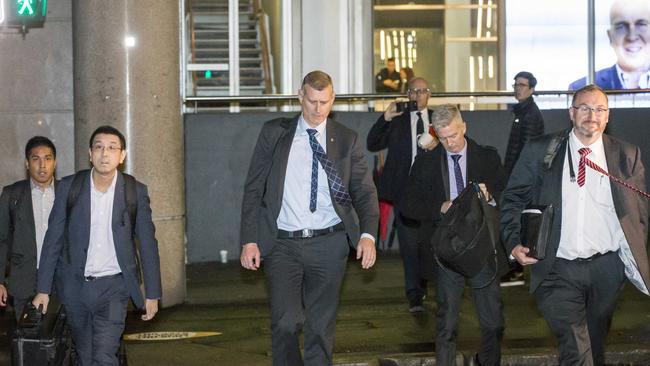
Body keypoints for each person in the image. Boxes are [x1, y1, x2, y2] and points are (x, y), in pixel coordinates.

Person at [500, 84, 649, 365]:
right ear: (572, 113)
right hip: (557, 268)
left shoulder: (627, 155)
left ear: (608, 116)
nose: (591, 115)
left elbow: (639, 215)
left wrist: (626, 259)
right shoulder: (541, 150)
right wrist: (513, 241)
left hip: (606, 269)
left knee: (594, 345)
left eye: (599, 109)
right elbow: (512, 198)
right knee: (576, 350)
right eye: (584, 108)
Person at [239, 70, 379, 365]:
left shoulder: (346, 140)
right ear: (300, 96)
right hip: (283, 244)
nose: (317, 109)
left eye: (324, 102)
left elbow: (364, 192)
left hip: (329, 243)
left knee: (320, 327)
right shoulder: (274, 133)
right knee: (285, 323)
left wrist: (367, 235)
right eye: (312, 101)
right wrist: (249, 239)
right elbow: (254, 188)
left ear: (333, 100)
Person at [33, 126, 162, 366]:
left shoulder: (134, 191)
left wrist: (152, 294)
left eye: (112, 148)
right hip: (74, 287)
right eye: (99, 147)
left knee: (104, 356)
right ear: (90, 153)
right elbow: (53, 239)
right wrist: (43, 289)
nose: (105, 153)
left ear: (122, 156)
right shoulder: (70, 187)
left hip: (114, 288)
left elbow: (147, 243)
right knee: (85, 355)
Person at [400, 104, 506, 366]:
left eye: (454, 136)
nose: (450, 143)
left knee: (492, 322)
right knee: (446, 322)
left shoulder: (487, 157)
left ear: (464, 128)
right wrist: (439, 207)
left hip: (481, 249)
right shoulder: (425, 162)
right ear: (435, 134)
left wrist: (490, 196)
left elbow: (510, 195)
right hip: (445, 250)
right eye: (444, 138)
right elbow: (407, 204)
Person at [367, 77, 437, 313]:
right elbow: (372, 143)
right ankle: (414, 295)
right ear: (407, 95)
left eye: (422, 91)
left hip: (431, 192)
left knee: (427, 244)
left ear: (429, 94)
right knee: (408, 245)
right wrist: (385, 117)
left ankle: (424, 285)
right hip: (404, 191)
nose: (417, 95)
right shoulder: (397, 121)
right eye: (413, 91)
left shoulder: (438, 119)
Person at [0, 136, 58, 321]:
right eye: (36, 159)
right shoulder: (12, 194)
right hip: (24, 280)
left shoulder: (66, 193)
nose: (42, 165)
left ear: (54, 163)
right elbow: (2, 239)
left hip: (60, 281)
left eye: (48, 158)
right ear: (27, 163)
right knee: (26, 342)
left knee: (61, 342)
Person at [501, 71, 545, 286]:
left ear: (531, 89)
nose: (517, 88)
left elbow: (525, 154)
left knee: (518, 220)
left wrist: (513, 178)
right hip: (519, 177)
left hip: (522, 179)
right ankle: (517, 268)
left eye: (522, 85)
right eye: (516, 84)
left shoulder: (529, 114)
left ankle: (518, 269)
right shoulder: (523, 111)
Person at [569, 0, 650, 90]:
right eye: (621, 26)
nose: (632, 37)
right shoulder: (579, 89)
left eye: (641, 24)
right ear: (610, 36)